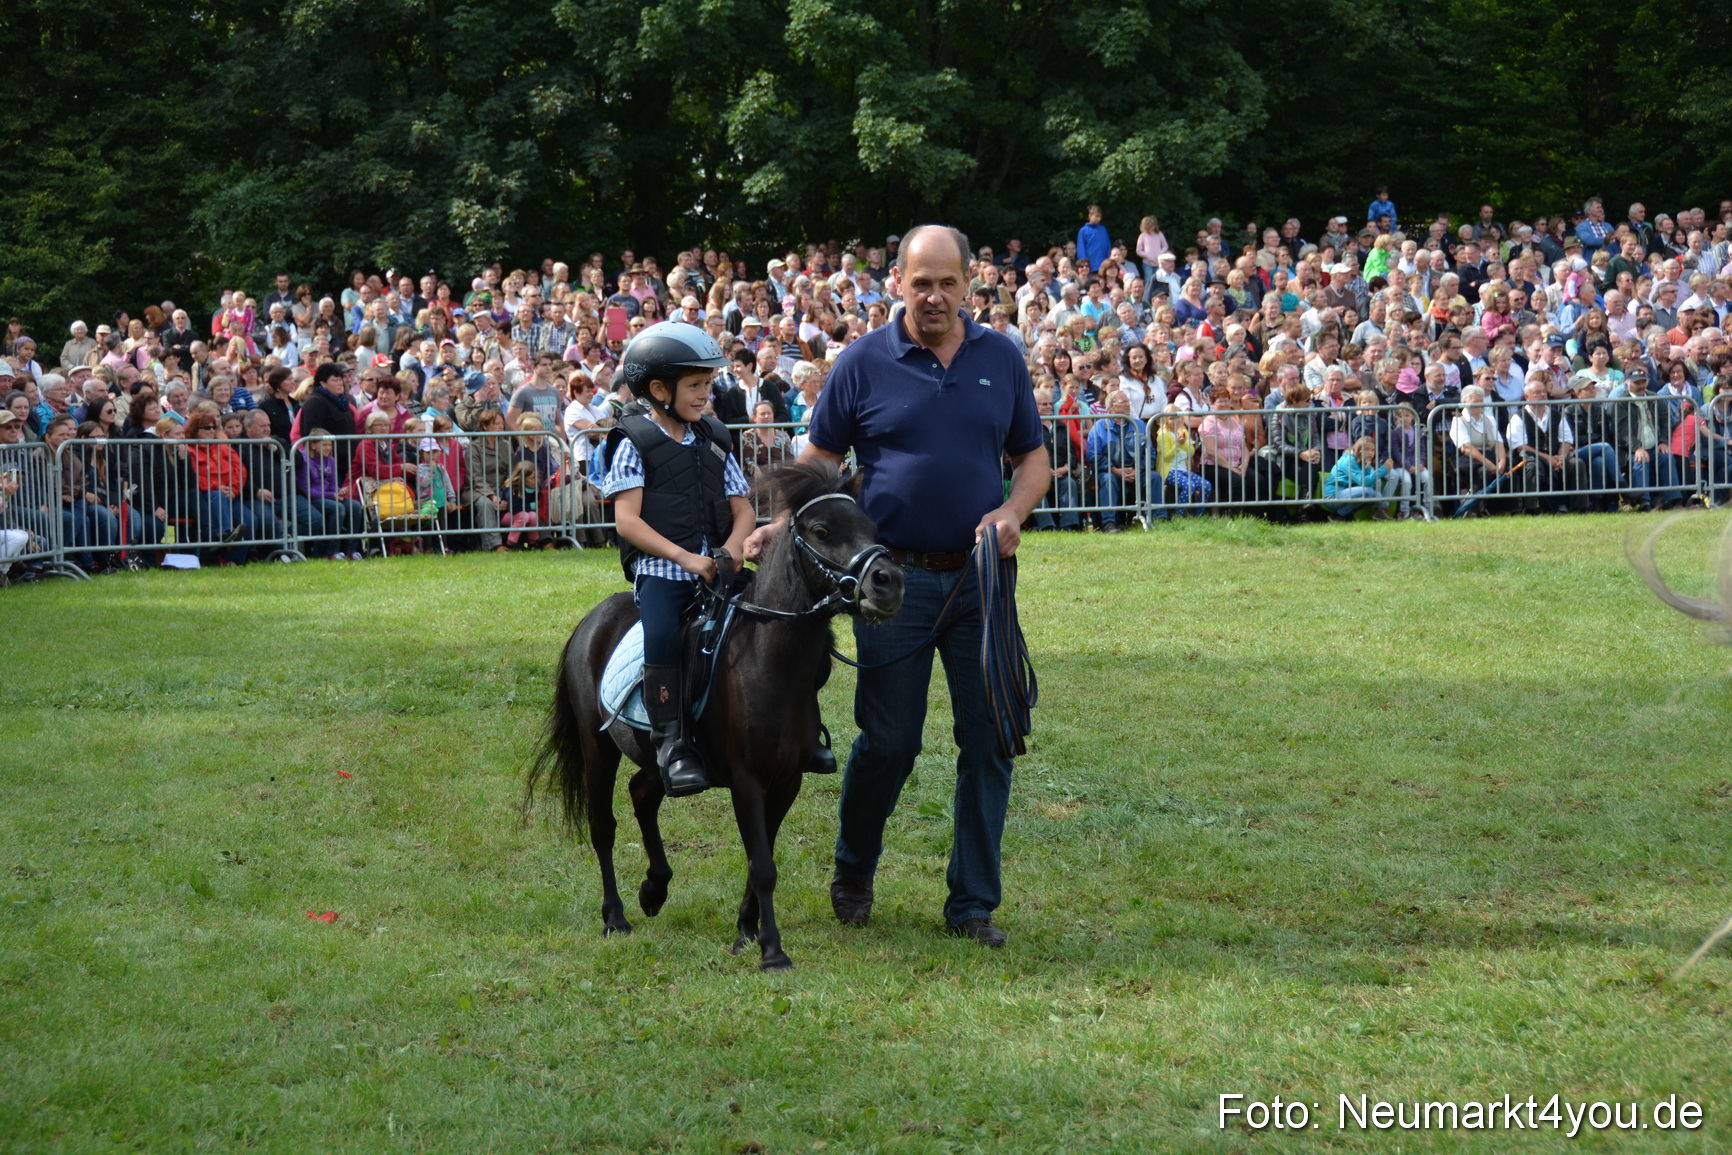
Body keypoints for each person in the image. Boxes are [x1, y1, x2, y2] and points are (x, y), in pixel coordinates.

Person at [745, 223, 1049, 947]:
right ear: (898, 284)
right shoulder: (861, 362)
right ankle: (854, 867)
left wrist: (1013, 511)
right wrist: (778, 525)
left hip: (979, 581)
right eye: (921, 283)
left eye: (947, 283)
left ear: (969, 284)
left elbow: (1033, 459)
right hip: (887, 583)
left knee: (991, 740)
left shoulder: (1000, 358)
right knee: (889, 741)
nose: (934, 296)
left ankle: (972, 903)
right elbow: (819, 460)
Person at [602, 321, 754, 798]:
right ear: (658, 389)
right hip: (664, 573)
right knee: (663, 636)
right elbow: (627, 521)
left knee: (780, 614)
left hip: (719, 568)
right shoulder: (633, 442)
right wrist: (685, 558)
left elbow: (744, 510)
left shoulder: (714, 437)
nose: (706, 394)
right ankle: (672, 743)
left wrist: (732, 548)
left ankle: (796, 725)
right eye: (695, 385)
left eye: (708, 384)